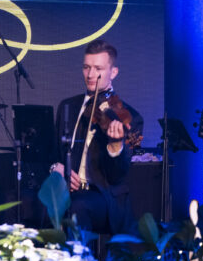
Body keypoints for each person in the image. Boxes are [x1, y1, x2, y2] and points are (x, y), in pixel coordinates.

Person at [50, 40, 143, 234]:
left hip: (104, 197)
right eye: (86, 67)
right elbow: (53, 152)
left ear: (113, 72)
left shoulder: (129, 117)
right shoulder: (67, 106)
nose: (91, 75)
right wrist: (56, 168)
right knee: (32, 201)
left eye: (98, 68)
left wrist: (116, 145)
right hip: (68, 191)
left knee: (77, 207)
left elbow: (117, 176)